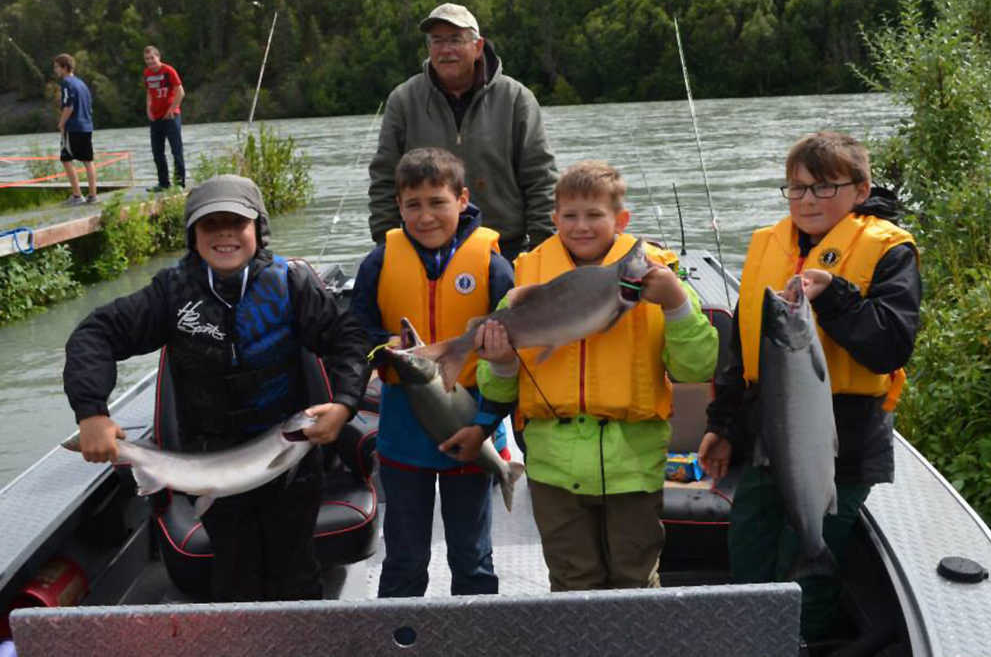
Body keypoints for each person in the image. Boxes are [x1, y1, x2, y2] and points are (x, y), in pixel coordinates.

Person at [63, 174, 370, 602]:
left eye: (237, 223)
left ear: (257, 230)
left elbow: (348, 340)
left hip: (294, 468)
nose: (225, 234)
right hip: (209, 463)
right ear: (193, 235)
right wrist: (91, 412)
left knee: (296, 576)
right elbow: (94, 335)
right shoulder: (171, 293)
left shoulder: (292, 284)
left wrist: (344, 404)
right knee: (235, 580)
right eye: (211, 225)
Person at [697, 131, 921, 644]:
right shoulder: (765, 245)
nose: (806, 201)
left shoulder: (890, 252)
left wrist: (835, 295)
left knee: (810, 572)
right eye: (796, 189)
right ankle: (750, 643)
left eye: (823, 188)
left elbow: (890, 346)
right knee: (750, 548)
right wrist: (724, 426)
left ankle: (807, 643)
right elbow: (742, 352)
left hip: (845, 442)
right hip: (767, 439)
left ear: (860, 190)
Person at [476, 160, 719, 591]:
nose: (580, 226)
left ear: (621, 220)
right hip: (553, 466)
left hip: (635, 465)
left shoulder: (660, 273)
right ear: (553, 220)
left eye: (594, 215)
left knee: (635, 581)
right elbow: (497, 387)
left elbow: (695, 367)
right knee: (572, 582)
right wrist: (498, 359)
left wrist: (677, 304)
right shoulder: (527, 273)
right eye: (569, 216)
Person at [351, 147, 515, 597]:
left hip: (472, 419)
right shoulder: (379, 262)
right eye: (413, 205)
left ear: (462, 199)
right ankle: (399, 636)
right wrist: (383, 346)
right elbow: (356, 331)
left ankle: (476, 638)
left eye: (437, 202)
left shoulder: (493, 265)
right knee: (404, 556)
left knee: (472, 555)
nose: (425, 216)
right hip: (404, 422)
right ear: (399, 207)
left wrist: (493, 422)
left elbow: (517, 339)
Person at [368, 2, 559, 262]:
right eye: (437, 41)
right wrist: (386, 243)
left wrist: (542, 250)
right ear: (429, 48)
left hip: (505, 247)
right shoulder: (403, 100)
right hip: (422, 249)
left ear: (477, 47)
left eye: (455, 40)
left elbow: (541, 179)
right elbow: (384, 179)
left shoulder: (517, 99)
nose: (446, 50)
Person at [53, 54, 97, 205]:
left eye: (57, 67)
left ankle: (77, 196)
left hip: (74, 127)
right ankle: (93, 195)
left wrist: (61, 123)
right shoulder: (82, 83)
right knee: (88, 160)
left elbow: (69, 106)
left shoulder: (66, 82)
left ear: (65, 67)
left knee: (66, 159)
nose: (55, 70)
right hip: (87, 126)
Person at [143, 45, 186, 191]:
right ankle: (163, 183)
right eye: (147, 59)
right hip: (156, 117)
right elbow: (149, 91)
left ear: (158, 57)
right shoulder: (147, 73)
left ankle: (180, 183)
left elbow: (180, 92)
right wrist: (148, 109)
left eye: (152, 58)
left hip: (171, 117)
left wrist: (172, 109)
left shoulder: (168, 71)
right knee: (157, 151)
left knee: (176, 149)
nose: (150, 62)